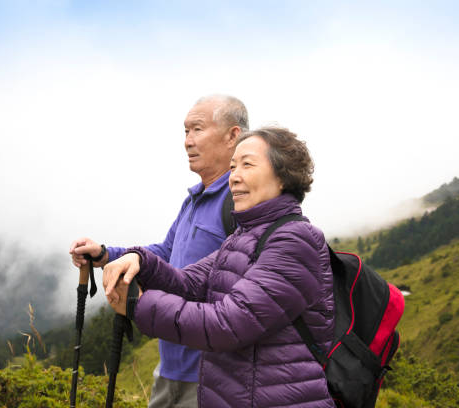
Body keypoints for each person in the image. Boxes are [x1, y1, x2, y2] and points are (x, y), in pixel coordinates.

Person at [104, 127, 336, 408]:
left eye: (247, 165)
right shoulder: (243, 236)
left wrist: (138, 307)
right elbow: (187, 284)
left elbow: (226, 325)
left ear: (283, 176)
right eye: (232, 166)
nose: (234, 177)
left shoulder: (296, 240)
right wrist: (141, 261)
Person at [69, 95, 249, 407]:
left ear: (233, 135)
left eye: (197, 129)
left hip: (213, 374)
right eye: (185, 132)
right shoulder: (195, 199)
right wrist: (104, 254)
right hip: (170, 367)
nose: (187, 142)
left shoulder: (241, 203)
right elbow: (166, 252)